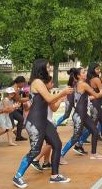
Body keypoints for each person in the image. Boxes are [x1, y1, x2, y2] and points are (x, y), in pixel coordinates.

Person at [13, 59, 73, 188]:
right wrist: (62, 92)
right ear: (41, 68)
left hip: (43, 121)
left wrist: (61, 98)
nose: (50, 68)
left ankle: (55, 175)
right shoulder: (37, 82)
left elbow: (52, 105)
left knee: (57, 144)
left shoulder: (42, 84)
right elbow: (49, 98)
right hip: (35, 122)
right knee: (35, 151)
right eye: (47, 67)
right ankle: (17, 176)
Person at [31, 76, 67, 171]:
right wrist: (60, 98)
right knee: (53, 143)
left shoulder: (45, 94)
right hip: (46, 122)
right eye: (51, 82)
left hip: (45, 121)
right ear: (45, 84)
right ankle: (36, 159)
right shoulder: (47, 95)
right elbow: (54, 108)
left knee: (50, 143)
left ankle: (46, 162)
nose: (53, 84)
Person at [10, 76, 28, 141]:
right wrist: (29, 98)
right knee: (8, 126)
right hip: (9, 108)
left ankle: (18, 136)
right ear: (20, 82)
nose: (23, 86)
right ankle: (18, 136)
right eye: (23, 84)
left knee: (20, 119)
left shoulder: (13, 87)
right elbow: (18, 100)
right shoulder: (15, 89)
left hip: (10, 108)